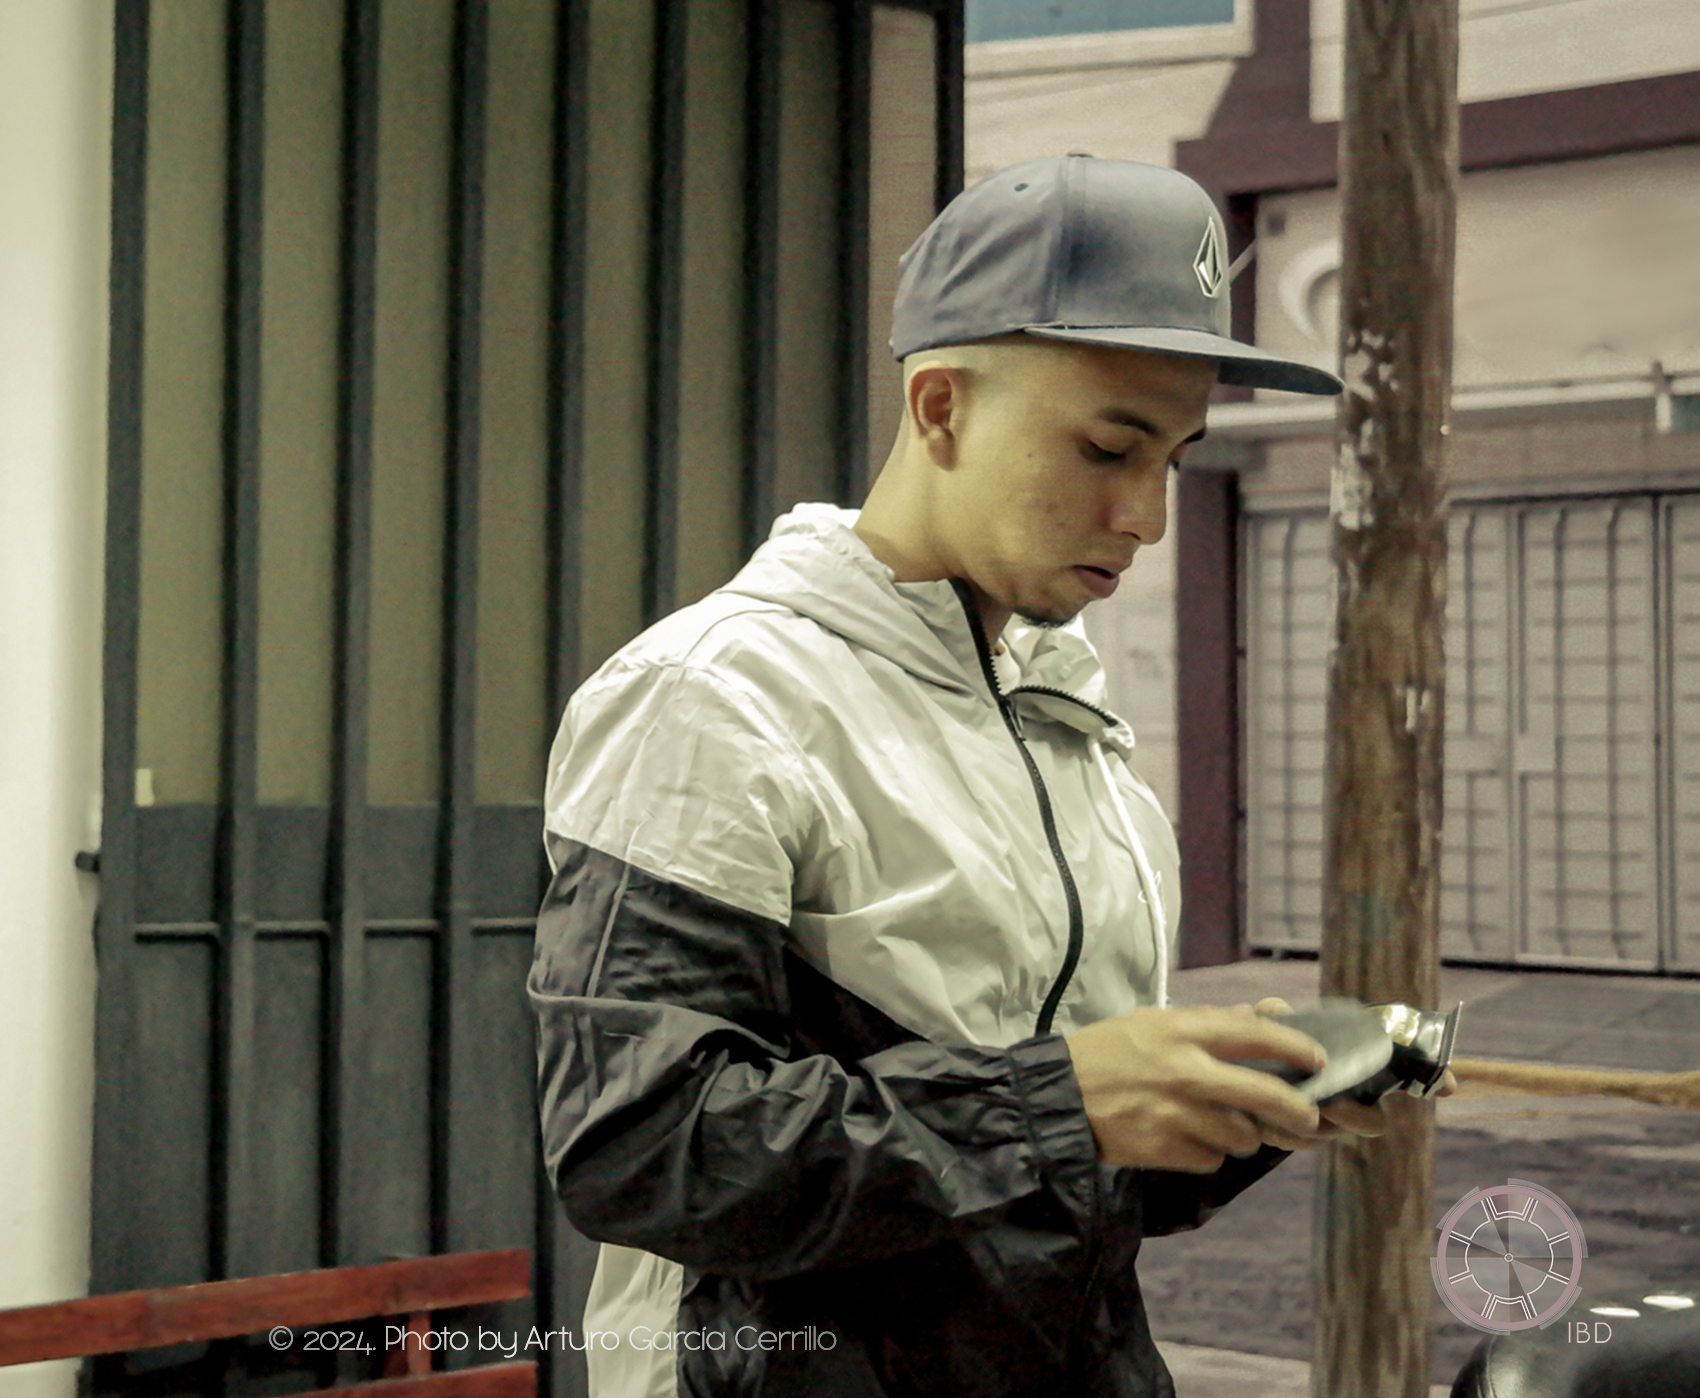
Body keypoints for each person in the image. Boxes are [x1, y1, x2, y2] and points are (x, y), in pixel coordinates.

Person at [528, 154, 1454, 1398]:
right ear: (941, 406)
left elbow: (1056, 1181)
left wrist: (1229, 1107)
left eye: (1172, 458)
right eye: (1107, 446)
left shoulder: (1071, 728)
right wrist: (1066, 1100)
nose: (1145, 515)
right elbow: (640, 1150)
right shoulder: (714, 698)